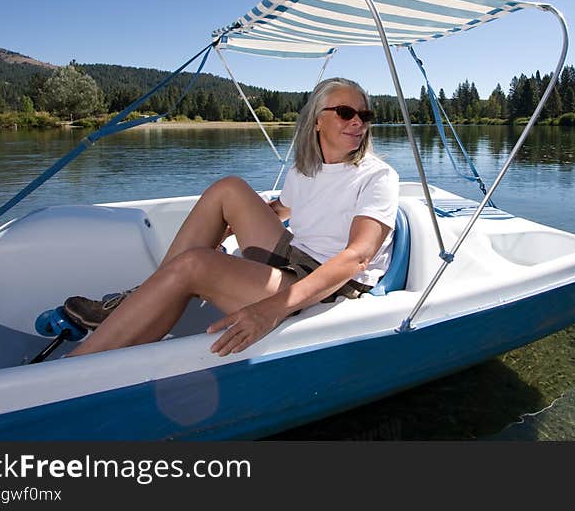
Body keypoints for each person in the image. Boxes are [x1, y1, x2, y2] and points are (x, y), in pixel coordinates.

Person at [66, 77, 399, 358]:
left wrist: (273, 309)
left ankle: (72, 367)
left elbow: (358, 256)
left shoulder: (377, 176)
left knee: (193, 264)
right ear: (316, 120)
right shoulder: (306, 170)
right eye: (345, 113)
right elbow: (282, 209)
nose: (358, 122)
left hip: (329, 283)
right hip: (296, 257)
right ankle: (140, 299)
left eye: (364, 115)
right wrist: (227, 225)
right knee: (229, 189)